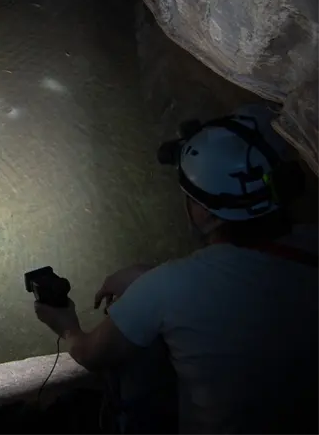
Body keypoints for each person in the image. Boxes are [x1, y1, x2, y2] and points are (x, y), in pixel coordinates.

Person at [32, 103, 319, 435]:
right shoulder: (311, 240)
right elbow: (235, 278)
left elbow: (92, 354)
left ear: (206, 215)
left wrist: (67, 326)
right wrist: (149, 276)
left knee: (133, 364)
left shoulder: (168, 288)